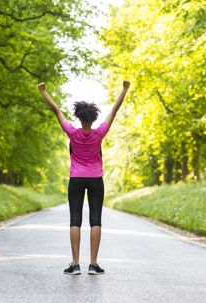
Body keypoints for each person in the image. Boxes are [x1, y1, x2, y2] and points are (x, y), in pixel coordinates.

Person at [38, 80, 130, 275]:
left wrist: (43, 91)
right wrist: (124, 89)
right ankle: (93, 264)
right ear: (94, 119)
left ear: (79, 119)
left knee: (75, 220)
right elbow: (114, 109)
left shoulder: (72, 133)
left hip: (76, 180)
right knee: (96, 219)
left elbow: (56, 110)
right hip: (96, 180)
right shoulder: (99, 133)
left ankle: (75, 264)